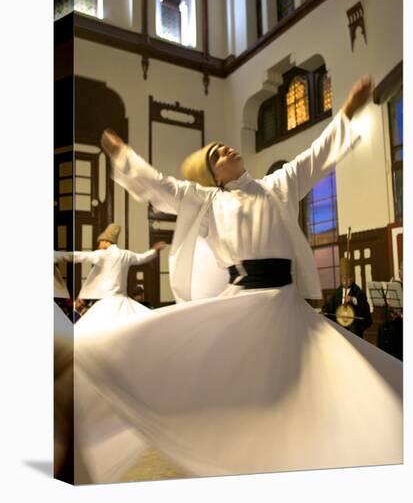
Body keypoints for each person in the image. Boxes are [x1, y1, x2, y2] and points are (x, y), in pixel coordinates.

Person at [72, 77, 402, 484]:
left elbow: (317, 156)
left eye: (225, 146)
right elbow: (161, 186)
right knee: (161, 359)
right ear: (214, 174)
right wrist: (124, 156)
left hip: (285, 307)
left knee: (338, 385)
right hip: (240, 305)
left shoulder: (277, 186)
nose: (226, 149)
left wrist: (350, 107)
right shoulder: (207, 200)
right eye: (217, 154)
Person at [71, 223, 166, 333]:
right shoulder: (125, 255)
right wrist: (154, 251)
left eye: (101, 241)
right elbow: (142, 258)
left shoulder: (102, 255)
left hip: (108, 302)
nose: (99, 244)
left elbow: (80, 256)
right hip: (120, 301)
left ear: (106, 241)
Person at [322, 257, 372, 338]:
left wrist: (352, 299)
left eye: (348, 278)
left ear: (352, 278)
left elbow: (364, 306)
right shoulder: (337, 292)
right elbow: (329, 307)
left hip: (353, 324)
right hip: (340, 323)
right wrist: (323, 312)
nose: (345, 280)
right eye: (343, 278)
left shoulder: (358, 291)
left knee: (354, 330)